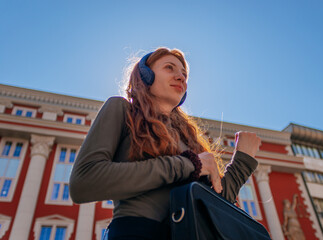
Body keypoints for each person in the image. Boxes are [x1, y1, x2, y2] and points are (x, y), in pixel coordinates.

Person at [69, 47, 261, 240]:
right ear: (145, 76)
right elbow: (83, 182)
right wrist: (189, 164)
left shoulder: (189, 139)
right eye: (169, 68)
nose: (181, 78)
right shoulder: (122, 110)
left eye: (184, 74)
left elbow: (214, 207)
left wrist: (242, 162)